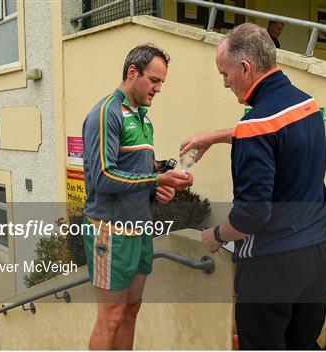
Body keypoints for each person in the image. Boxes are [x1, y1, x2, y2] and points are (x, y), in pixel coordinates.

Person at [180, 23, 326, 350]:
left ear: (246, 69)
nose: (225, 83)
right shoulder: (306, 105)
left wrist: (217, 235)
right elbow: (278, 136)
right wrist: (218, 135)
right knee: (303, 343)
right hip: (320, 254)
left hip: (273, 266)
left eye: (225, 74)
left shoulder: (255, 126)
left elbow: (251, 216)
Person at [82, 44, 193, 350]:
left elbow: (137, 170)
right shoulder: (106, 113)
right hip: (110, 232)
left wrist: (162, 183)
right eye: (154, 80)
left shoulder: (142, 117)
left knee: (131, 310)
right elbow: (103, 176)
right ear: (133, 72)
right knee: (111, 315)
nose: (158, 89)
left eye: (161, 83)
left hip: (139, 228)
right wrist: (156, 178)